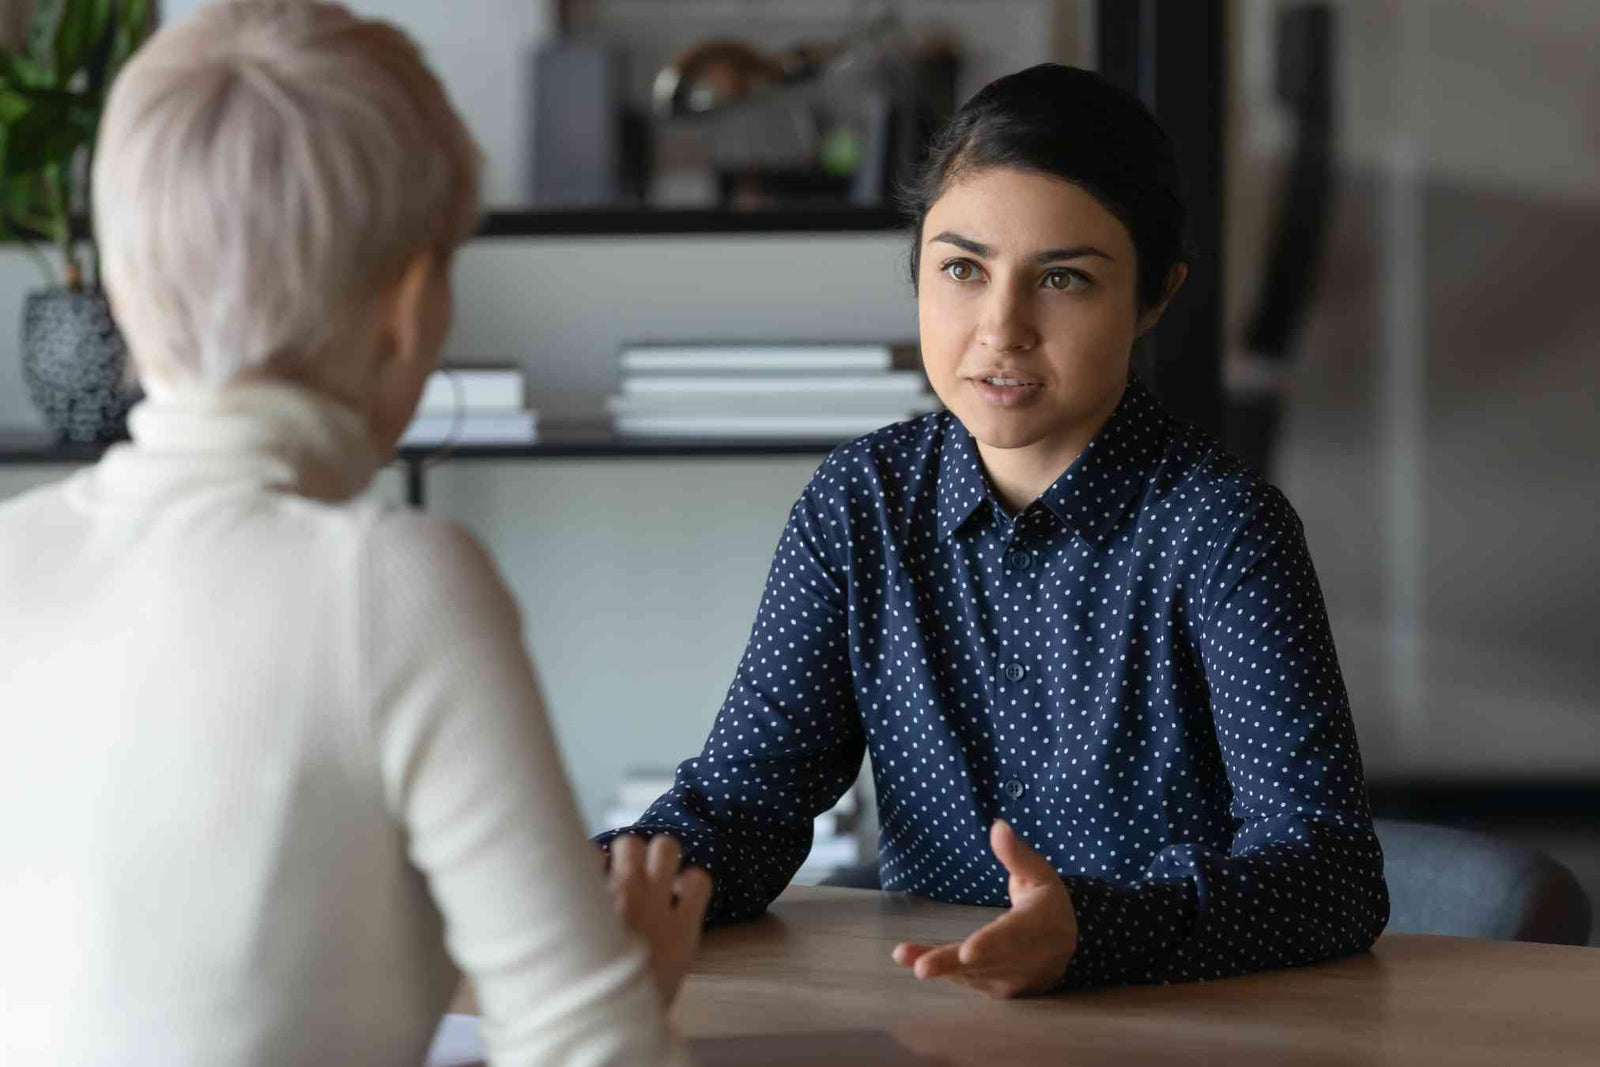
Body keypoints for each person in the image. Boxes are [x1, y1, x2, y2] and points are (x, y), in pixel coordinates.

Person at [0, 3, 706, 1064]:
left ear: (128, 295)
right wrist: (629, 995)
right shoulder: (391, 580)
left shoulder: (14, 552)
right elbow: (587, 1050)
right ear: (412, 309)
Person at [598, 63, 1390, 998]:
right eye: (963, 269)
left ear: (1154, 297)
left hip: (1173, 1017)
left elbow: (1329, 874)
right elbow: (746, 807)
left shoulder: (1221, 529)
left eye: (1063, 279)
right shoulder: (862, 503)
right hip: (937, 1006)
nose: (1001, 329)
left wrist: (1092, 930)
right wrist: (591, 884)